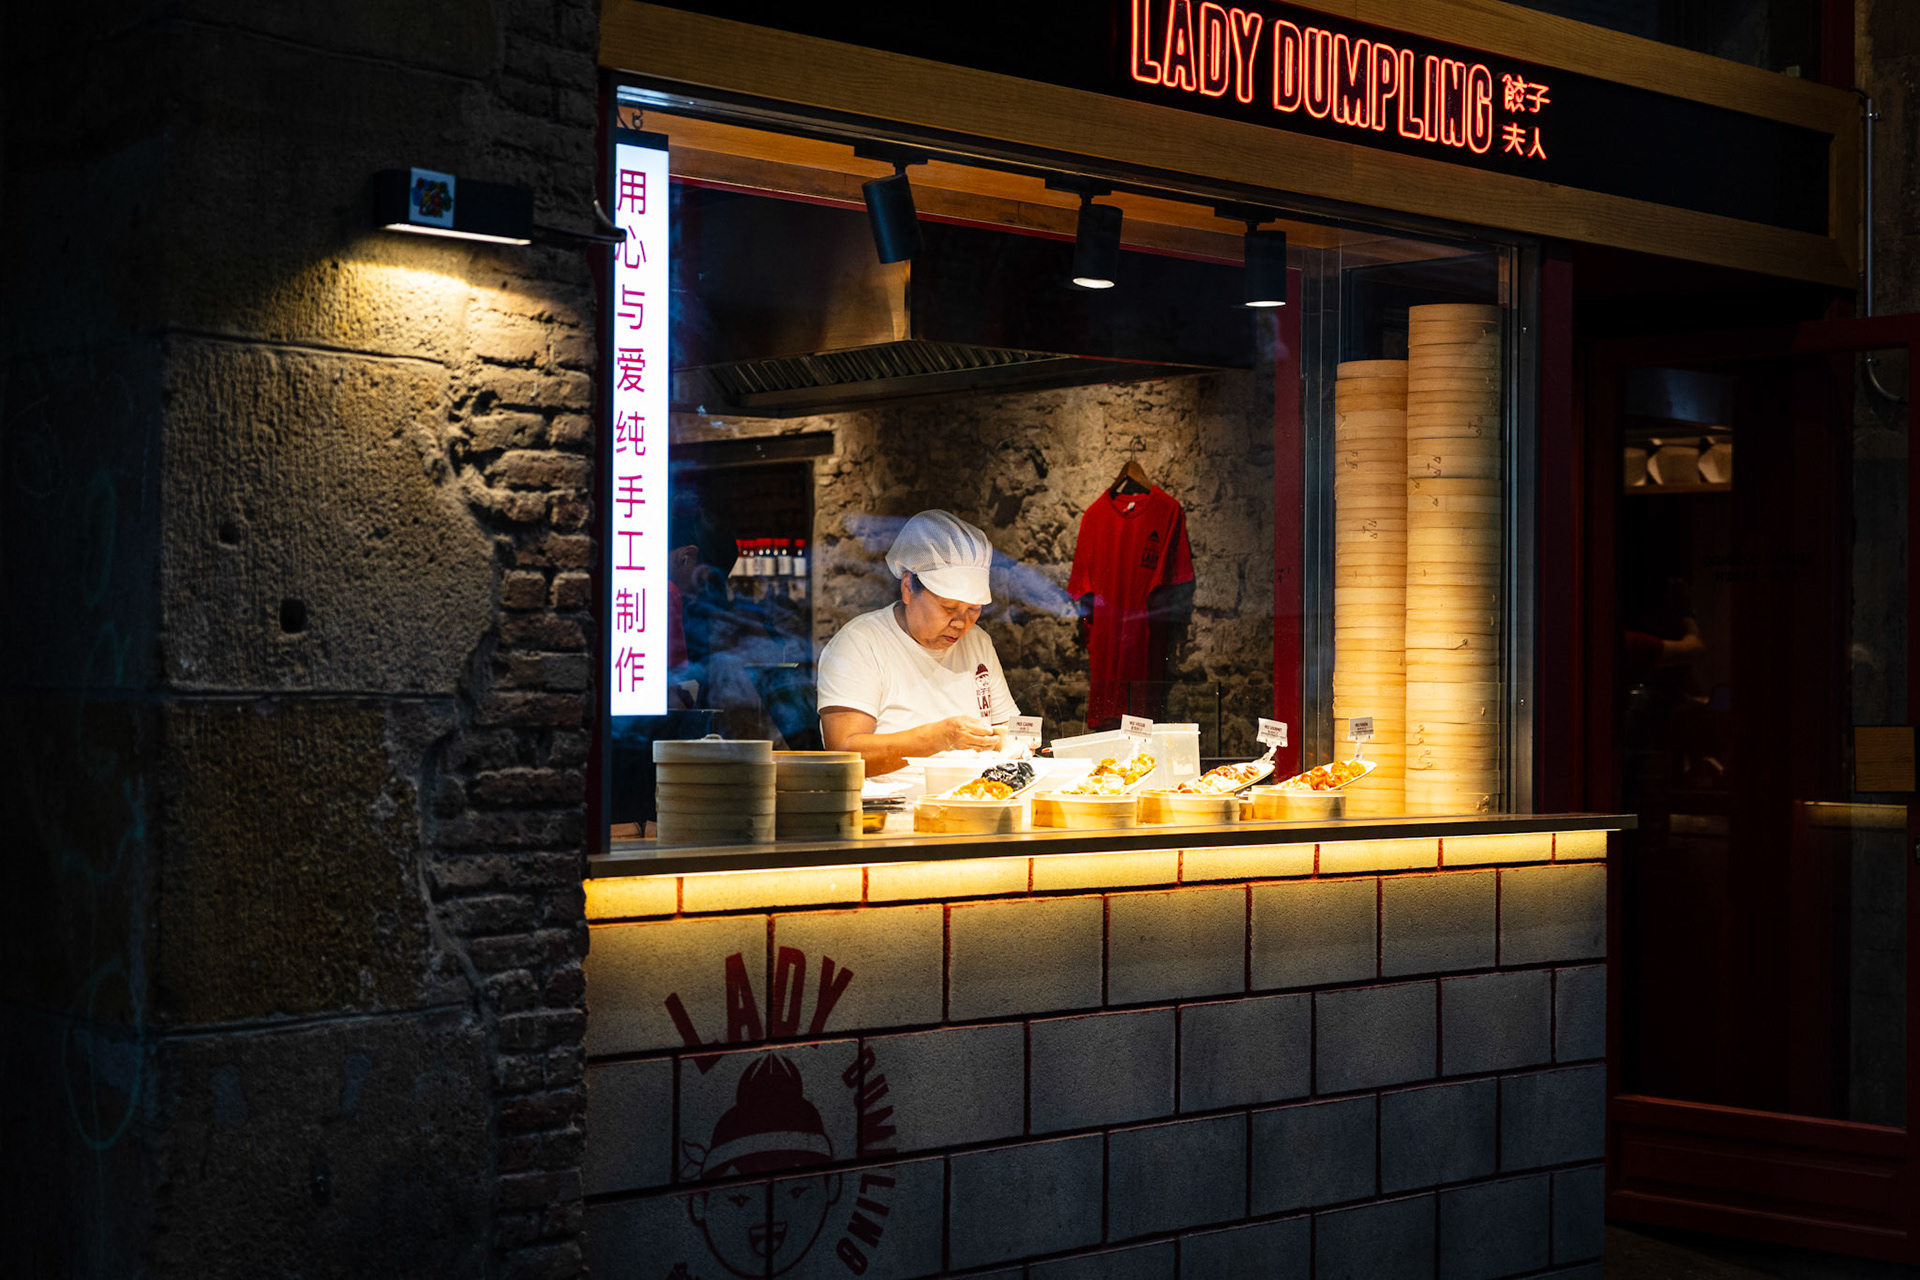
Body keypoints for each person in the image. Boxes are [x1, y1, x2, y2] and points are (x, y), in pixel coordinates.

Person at [816, 510, 1019, 776]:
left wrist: (1012, 741)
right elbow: (844, 751)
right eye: (948, 607)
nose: (961, 623)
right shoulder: (860, 644)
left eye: (974, 609)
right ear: (908, 587)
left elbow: (1010, 728)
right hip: (886, 808)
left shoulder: (978, 642)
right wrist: (939, 738)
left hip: (974, 799)